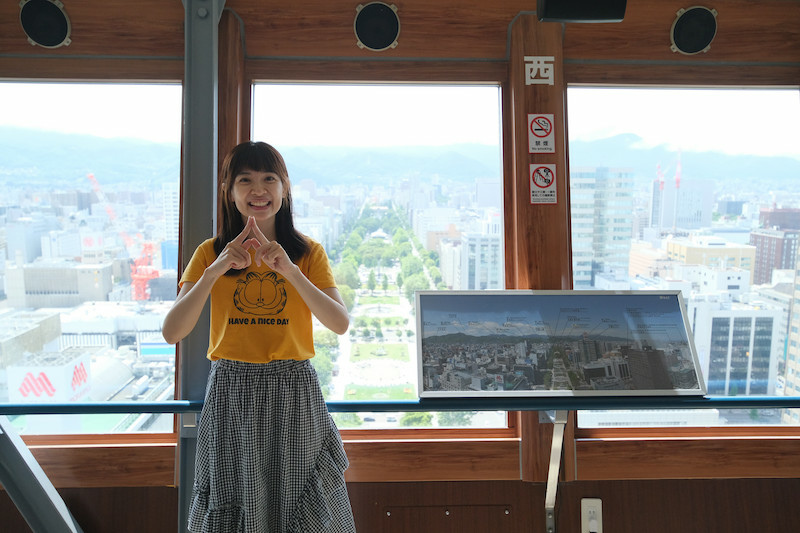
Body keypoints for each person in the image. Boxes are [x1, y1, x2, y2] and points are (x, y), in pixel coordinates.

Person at [163, 141, 356, 533]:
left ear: (284, 189)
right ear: (229, 192)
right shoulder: (210, 253)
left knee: (303, 500)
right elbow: (173, 331)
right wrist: (215, 271)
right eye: (245, 180)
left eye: (269, 179)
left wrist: (290, 271)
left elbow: (339, 322)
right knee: (229, 495)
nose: (258, 189)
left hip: (294, 387)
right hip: (231, 387)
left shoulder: (306, 253)